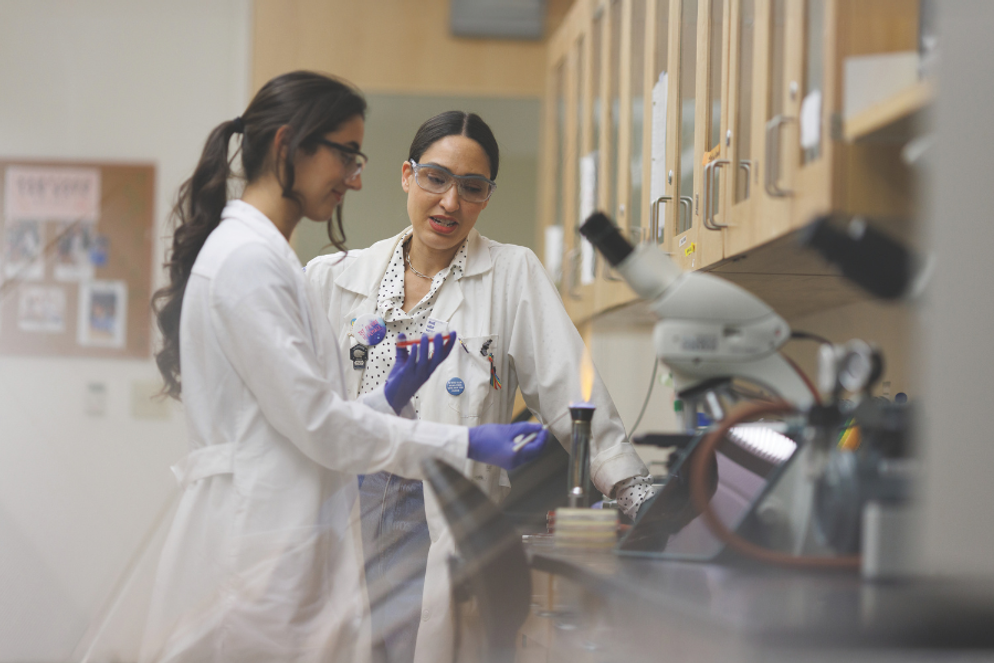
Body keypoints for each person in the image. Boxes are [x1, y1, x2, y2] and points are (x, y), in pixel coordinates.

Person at [142, 73, 548, 663]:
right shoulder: (251, 262)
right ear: (288, 147)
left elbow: (303, 417)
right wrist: (467, 441)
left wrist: (386, 399)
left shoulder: (270, 259)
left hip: (282, 539)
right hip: (259, 546)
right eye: (347, 156)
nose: (355, 179)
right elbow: (320, 427)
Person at [305, 111, 657, 663]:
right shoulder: (333, 278)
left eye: (472, 188)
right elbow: (304, 410)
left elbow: (571, 390)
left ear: (487, 196)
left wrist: (630, 485)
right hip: (344, 500)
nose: (450, 203)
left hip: (441, 506)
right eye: (436, 179)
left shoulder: (511, 274)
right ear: (407, 175)